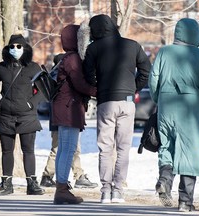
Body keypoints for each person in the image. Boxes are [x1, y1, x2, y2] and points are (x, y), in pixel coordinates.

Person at [83, 14, 151, 203]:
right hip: (127, 101)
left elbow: (87, 74)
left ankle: (105, 190)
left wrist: (98, 86)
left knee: (105, 148)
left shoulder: (93, 48)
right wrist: (134, 87)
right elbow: (146, 70)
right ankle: (118, 190)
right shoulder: (133, 45)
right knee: (123, 148)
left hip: (106, 101)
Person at [149, 18, 199, 212]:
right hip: (191, 106)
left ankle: (165, 180)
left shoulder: (164, 52)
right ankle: (185, 201)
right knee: (189, 151)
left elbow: (153, 80)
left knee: (166, 145)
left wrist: (159, 98)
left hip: (166, 105)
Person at [0, 34, 45, 196]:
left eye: (19, 46)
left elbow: (43, 89)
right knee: (7, 151)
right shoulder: (2, 67)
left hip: (27, 116)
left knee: (28, 150)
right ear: (8, 49)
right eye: (12, 46)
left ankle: (32, 184)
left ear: (25, 48)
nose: (15, 49)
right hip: (6, 115)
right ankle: (6, 184)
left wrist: (32, 103)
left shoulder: (33, 67)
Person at [51, 24, 97, 205]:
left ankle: (61, 188)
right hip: (69, 109)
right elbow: (80, 84)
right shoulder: (73, 59)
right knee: (68, 149)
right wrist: (97, 90)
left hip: (64, 107)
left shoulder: (66, 58)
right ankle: (62, 189)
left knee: (64, 148)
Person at [40, 53, 98, 189]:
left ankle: (73, 176)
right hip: (65, 116)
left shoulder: (56, 76)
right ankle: (53, 177)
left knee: (66, 148)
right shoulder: (63, 76)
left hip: (58, 117)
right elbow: (78, 86)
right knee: (64, 148)